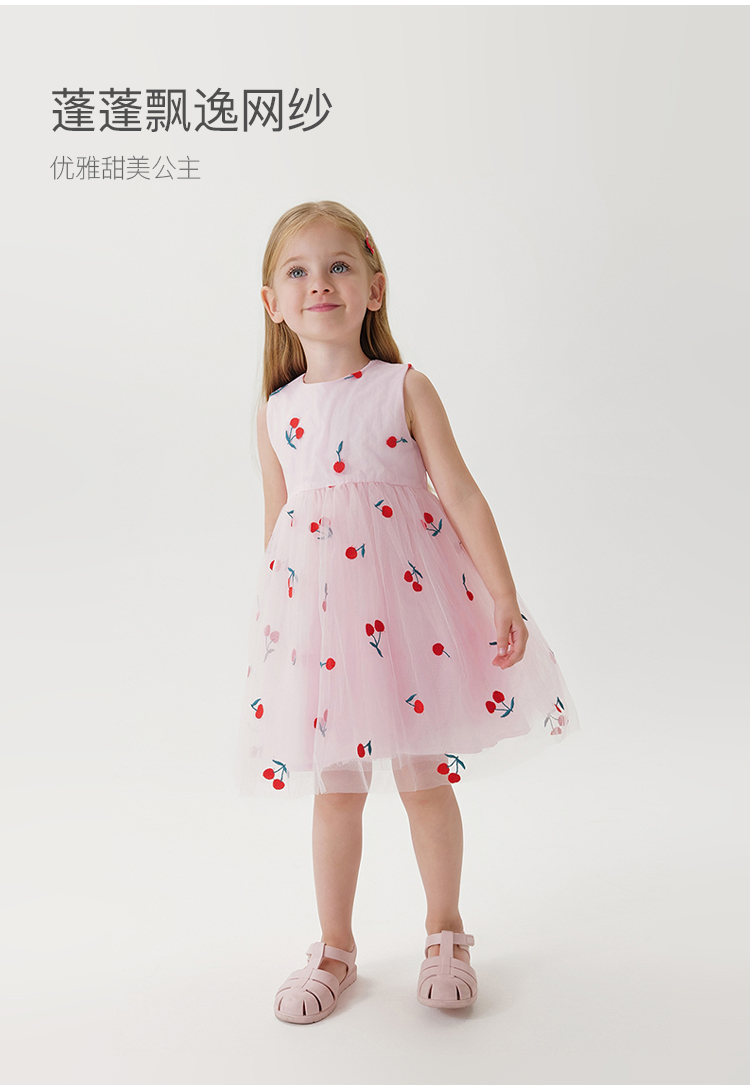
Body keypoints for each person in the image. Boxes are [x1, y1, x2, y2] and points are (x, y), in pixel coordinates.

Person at [235, 200, 580, 1024]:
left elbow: (459, 492)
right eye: (299, 271)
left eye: (339, 266)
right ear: (272, 302)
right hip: (325, 635)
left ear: (375, 287)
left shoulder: (404, 387)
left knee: (424, 781)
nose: (321, 283)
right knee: (336, 794)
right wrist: (281, 641)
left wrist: (503, 593)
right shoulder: (277, 413)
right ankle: (334, 948)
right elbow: (279, 529)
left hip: (410, 621)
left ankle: (445, 931)